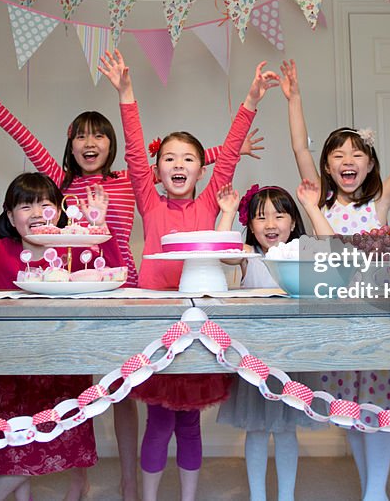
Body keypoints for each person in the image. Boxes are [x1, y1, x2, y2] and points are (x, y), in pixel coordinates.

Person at [0, 69, 262, 500]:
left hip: (129, 285)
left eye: (98, 136)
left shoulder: (127, 182)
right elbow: (30, 141)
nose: (89, 143)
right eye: (80, 136)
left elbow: (163, 159)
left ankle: (129, 480)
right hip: (73, 286)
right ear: (71, 144)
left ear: (109, 144)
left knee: (124, 388)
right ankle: (76, 469)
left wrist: (223, 146)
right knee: (77, 381)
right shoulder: (60, 184)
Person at [98, 49, 279, 501]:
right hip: (154, 320)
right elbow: (136, 153)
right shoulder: (150, 202)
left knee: (189, 423)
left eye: (189, 160)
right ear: (157, 172)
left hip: (198, 320)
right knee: (158, 420)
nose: (178, 165)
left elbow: (232, 151)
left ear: (203, 169)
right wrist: (127, 93)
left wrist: (251, 100)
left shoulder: (209, 202)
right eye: (170, 160)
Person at [280, 58, 390, 501]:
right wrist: (294, 99)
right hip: (338, 326)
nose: (347, 160)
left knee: (375, 414)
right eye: (338, 156)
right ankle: (371, 489)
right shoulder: (321, 202)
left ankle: (376, 494)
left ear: (371, 165)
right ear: (328, 168)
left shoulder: (378, 207)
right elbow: (300, 148)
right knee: (351, 416)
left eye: (357, 154)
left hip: (377, 326)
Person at [0, 173, 113, 501]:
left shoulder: (75, 250)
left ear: (59, 212)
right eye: (25, 205)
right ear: (9, 216)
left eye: (45, 204)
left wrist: (99, 227)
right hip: (5, 367)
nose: (36, 212)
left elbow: (111, 273)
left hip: (59, 363)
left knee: (42, 440)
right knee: (14, 445)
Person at [213, 182, 331, 501]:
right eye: (261, 217)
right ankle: (257, 496)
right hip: (254, 356)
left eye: (279, 216)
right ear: (250, 225)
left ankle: (287, 496)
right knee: (256, 430)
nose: (270, 224)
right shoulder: (248, 255)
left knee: (285, 429)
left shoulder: (299, 253)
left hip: (291, 355)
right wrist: (226, 212)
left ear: (292, 223)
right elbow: (222, 253)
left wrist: (311, 206)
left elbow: (330, 246)